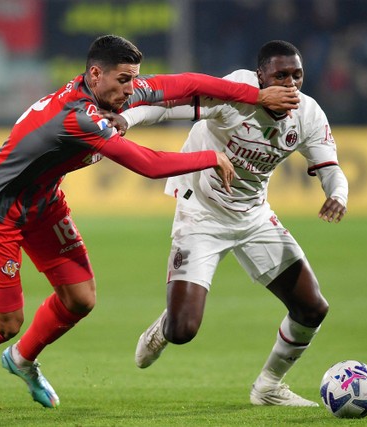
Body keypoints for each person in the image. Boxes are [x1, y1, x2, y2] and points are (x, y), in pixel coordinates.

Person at [0, 35, 301, 411]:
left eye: (134, 79)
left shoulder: (112, 88)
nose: (132, 90)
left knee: (80, 299)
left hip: (43, 201)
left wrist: (255, 95)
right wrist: (209, 157)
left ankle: (22, 360)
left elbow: (187, 82)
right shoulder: (78, 116)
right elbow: (146, 165)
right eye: (124, 80)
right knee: (6, 322)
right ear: (96, 75)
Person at [112, 40, 348, 407]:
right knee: (183, 330)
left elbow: (331, 170)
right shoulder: (237, 93)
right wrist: (127, 118)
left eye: (296, 75)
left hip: (254, 216)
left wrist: (338, 195)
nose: (289, 84)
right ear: (260, 77)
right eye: (280, 75)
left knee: (313, 308)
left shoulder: (309, 115)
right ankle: (166, 325)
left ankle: (268, 386)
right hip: (202, 212)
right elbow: (169, 108)